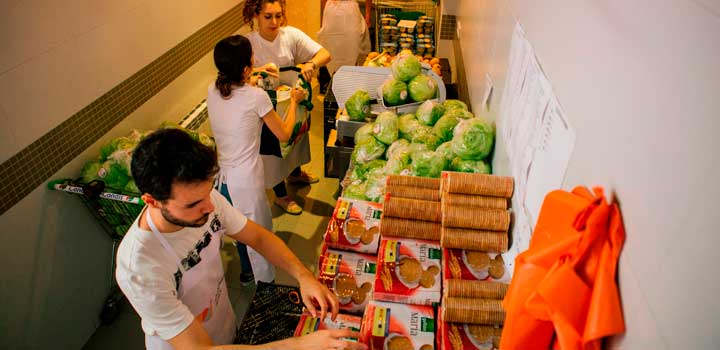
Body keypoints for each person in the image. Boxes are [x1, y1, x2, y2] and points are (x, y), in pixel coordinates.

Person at [115, 128, 365, 350]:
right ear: (152, 201)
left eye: (208, 192)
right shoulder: (141, 266)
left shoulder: (207, 201)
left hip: (223, 325)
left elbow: (258, 237)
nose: (209, 206)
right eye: (193, 204)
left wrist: (304, 276)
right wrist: (299, 346)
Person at [207, 35, 306, 284]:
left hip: (223, 181)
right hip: (246, 180)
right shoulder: (256, 98)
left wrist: (257, 73)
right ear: (244, 67)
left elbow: (238, 87)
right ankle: (265, 287)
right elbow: (283, 133)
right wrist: (294, 101)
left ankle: (246, 271)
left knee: (238, 228)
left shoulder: (213, 89)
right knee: (257, 233)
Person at [242, 0, 332, 215]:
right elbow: (241, 78)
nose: (274, 22)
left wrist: (311, 64)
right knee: (273, 151)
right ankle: (281, 194)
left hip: (293, 98)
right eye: (268, 16)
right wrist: (261, 71)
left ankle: (294, 174)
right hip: (267, 107)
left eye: (278, 15)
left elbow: (324, 54)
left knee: (296, 140)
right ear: (255, 16)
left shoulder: (290, 35)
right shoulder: (248, 43)